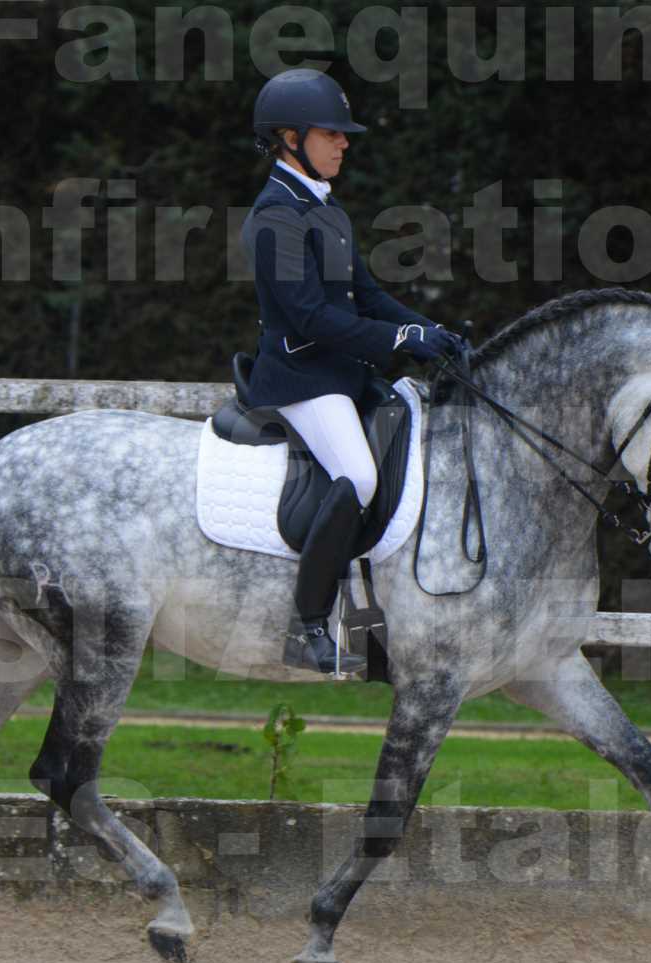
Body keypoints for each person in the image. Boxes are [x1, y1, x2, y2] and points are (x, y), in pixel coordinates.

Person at [241, 68, 464, 675]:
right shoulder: (275, 218)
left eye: (344, 135)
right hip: (299, 378)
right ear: (289, 137)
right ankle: (307, 626)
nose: (344, 143)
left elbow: (367, 296)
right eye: (330, 133)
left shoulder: (325, 210)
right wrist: (398, 338)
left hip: (342, 373)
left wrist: (428, 331)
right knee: (361, 479)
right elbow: (311, 318)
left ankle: (368, 629)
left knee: (404, 457)